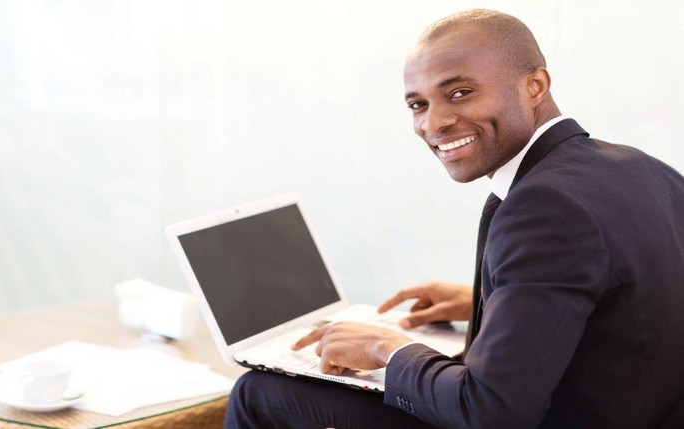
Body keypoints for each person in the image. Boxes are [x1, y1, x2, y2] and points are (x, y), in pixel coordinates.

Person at [225, 9, 684, 428]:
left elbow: (490, 410)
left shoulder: (545, 206)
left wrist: (386, 348)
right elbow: (633, 301)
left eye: (460, 93)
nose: (434, 123)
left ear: (535, 85)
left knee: (260, 393)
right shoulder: (641, 168)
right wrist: (486, 302)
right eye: (417, 104)